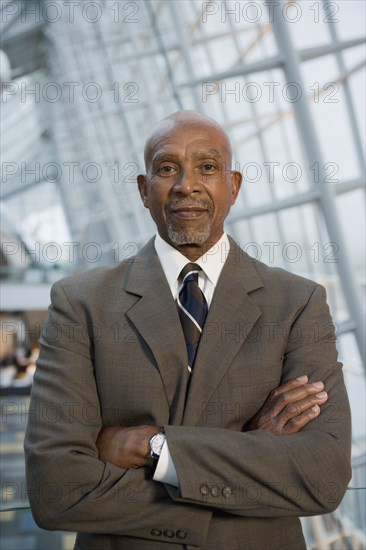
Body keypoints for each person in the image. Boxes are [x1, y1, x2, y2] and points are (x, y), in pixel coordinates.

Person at [24, 111, 351, 550]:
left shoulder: (297, 303)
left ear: (232, 186)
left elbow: (322, 477)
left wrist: (154, 447)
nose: (186, 185)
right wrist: (253, 459)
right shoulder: (80, 303)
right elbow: (56, 490)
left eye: (207, 167)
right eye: (166, 168)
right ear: (144, 190)